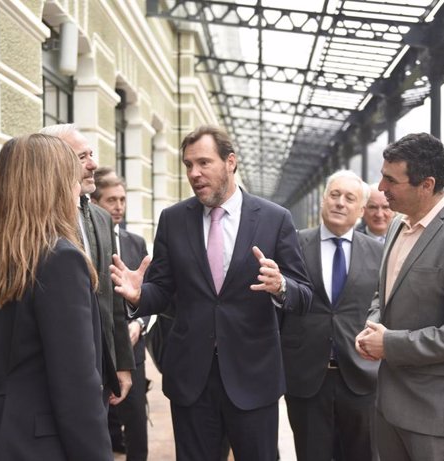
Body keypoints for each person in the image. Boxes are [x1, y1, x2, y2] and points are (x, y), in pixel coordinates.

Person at [110, 125, 313, 461]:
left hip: (253, 377)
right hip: (192, 379)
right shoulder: (174, 219)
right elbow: (161, 290)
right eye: (188, 165)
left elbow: (304, 295)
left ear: (230, 162)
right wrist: (138, 295)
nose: (194, 173)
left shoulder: (274, 219)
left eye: (204, 163)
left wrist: (282, 286)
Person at [0, 134, 112, 460]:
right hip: (36, 442)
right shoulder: (60, 259)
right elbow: (76, 388)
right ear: (53, 185)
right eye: (71, 179)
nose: (77, 189)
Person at [355, 132, 444, 460]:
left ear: (426, 184)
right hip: (389, 407)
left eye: (391, 180)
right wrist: (373, 325)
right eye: (382, 176)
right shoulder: (396, 226)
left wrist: (390, 344)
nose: (380, 188)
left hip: (438, 417)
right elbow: (386, 293)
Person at [280, 170, 382, 461]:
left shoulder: (378, 253)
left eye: (350, 198)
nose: (340, 203)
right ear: (323, 200)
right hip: (307, 378)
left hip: (361, 378)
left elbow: (386, 306)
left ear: (361, 210)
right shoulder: (294, 246)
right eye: (334, 195)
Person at [40, 123, 134, 406]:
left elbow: (111, 297)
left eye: (91, 154)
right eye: (82, 157)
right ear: (55, 162)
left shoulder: (102, 218)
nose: (94, 164)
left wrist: (121, 363)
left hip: (98, 368)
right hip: (53, 371)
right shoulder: (36, 220)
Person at [91, 167, 150, 460]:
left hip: (132, 348)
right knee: (101, 424)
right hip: (97, 349)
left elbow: (148, 292)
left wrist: (139, 322)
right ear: (95, 203)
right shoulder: (85, 241)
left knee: (137, 423)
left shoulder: (135, 242)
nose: (118, 207)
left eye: (122, 200)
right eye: (111, 200)